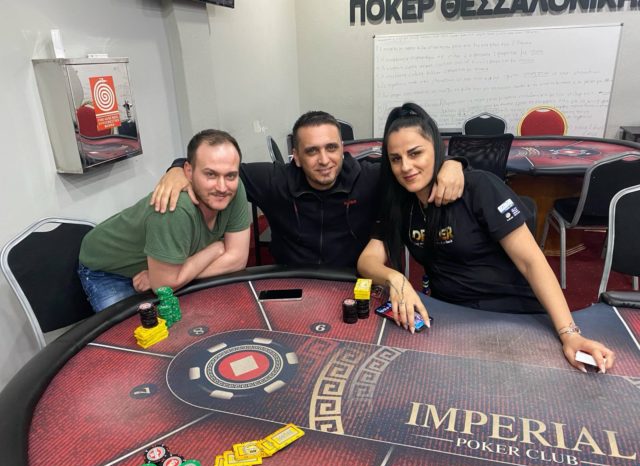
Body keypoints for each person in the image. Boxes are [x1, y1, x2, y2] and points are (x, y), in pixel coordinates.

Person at [356, 102, 615, 373]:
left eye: (415, 153)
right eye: (396, 159)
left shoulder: (479, 187)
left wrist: (569, 333)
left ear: (437, 149)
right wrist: (396, 279)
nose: (406, 166)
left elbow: (532, 262)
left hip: (513, 312)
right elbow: (368, 260)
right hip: (451, 316)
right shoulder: (399, 203)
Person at [151, 111, 465, 267]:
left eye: (331, 148)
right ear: (296, 157)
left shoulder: (371, 177)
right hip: (291, 282)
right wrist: (178, 169)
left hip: (353, 280)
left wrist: (453, 163)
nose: (324, 160)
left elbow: (415, 169)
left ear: (343, 148)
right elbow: (219, 168)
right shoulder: (275, 180)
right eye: (312, 151)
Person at [78, 129, 251, 312]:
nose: (222, 187)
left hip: (166, 268)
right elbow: (165, 285)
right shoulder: (176, 208)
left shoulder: (234, 189)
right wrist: (216, 249)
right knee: (143, 328)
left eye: (230, 175)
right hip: (109, 271)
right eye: (210, 174)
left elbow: (237, 260)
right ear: (189, 171)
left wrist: (172, 276)